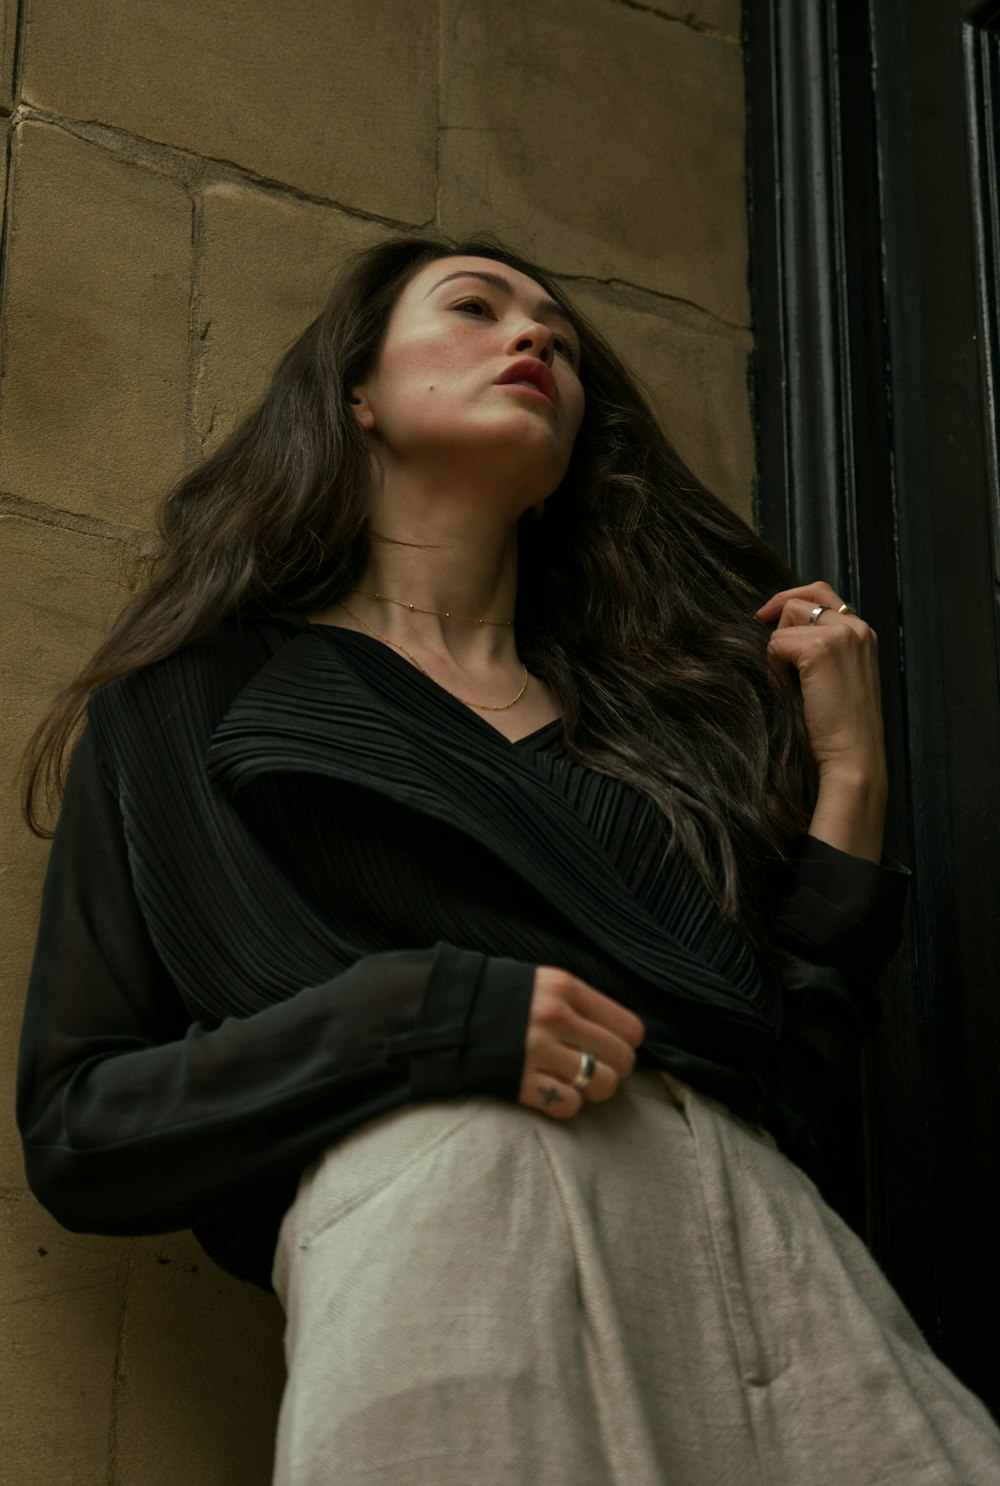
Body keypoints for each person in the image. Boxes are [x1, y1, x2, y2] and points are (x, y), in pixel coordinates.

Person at [16, 233, 1000, 1485]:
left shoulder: (639, 741)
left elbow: (788, 1076)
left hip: (769, 1255)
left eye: (563, 341)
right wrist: (423, 1012)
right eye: (475, 307)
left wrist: (850, 779)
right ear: (355, 393)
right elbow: (80, 1125)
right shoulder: (197, 698)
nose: (533, 338)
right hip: (461, 1239)